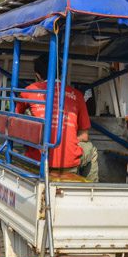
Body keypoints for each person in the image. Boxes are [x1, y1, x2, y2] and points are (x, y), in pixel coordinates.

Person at [16, 53, 98, 182]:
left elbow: (15, 123)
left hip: (37, 160)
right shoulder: (77, 95)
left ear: (37, 75)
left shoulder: (29, 91)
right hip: (69, 163)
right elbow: (84, 136)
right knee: (91, 150)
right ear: (60, 72)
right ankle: (93, 189)